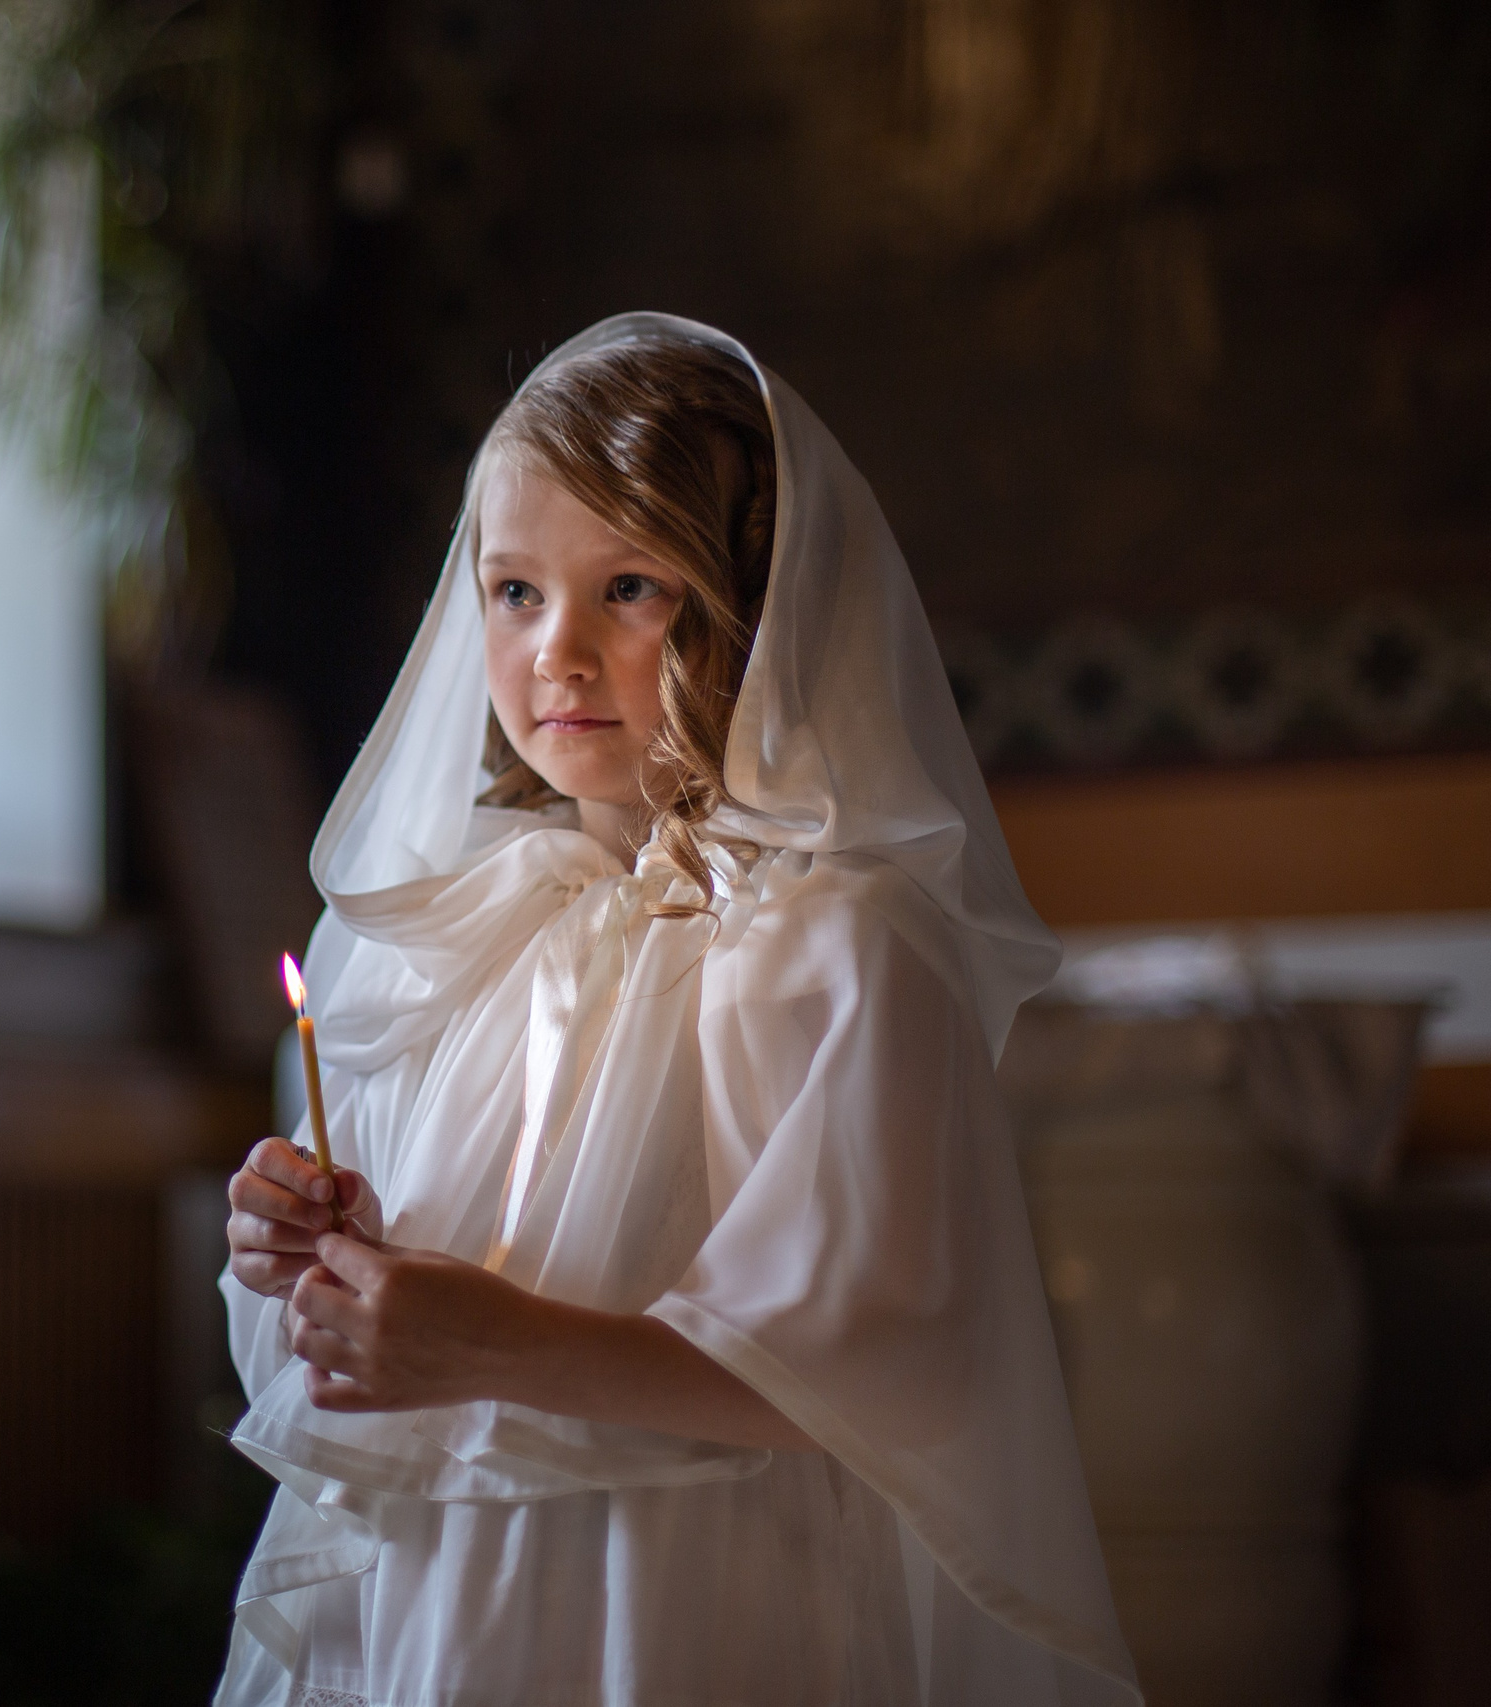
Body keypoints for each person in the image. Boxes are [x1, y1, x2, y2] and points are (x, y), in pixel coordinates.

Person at [216, 315, 1140, 1706]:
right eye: (515, 591)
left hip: (685, 1592)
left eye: (631, 587)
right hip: (429, 1604)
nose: (559, 653)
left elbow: (874, 1371)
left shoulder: (832, 945)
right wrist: (295, 1251)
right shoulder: (433, 939)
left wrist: (487, 1343)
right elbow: (338, 1333)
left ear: (762, 610)